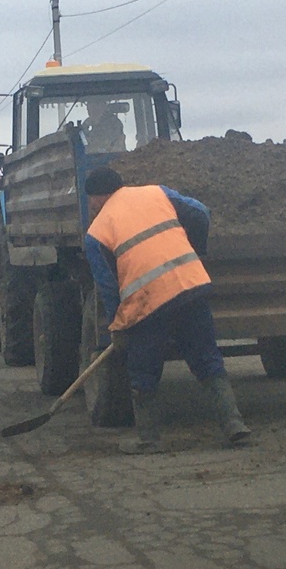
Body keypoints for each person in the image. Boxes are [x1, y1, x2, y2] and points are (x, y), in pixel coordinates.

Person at [83, 166, 250, 454]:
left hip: (147, 305)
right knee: (207, 357)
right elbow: (200, 213)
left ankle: (149, 438)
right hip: (189, 286)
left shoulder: (96, 232)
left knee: (143, 370)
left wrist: (117, 326)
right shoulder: (157, 192)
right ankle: (234, 424)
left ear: (96, 198)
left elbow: (109, 289)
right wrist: (194, 249)